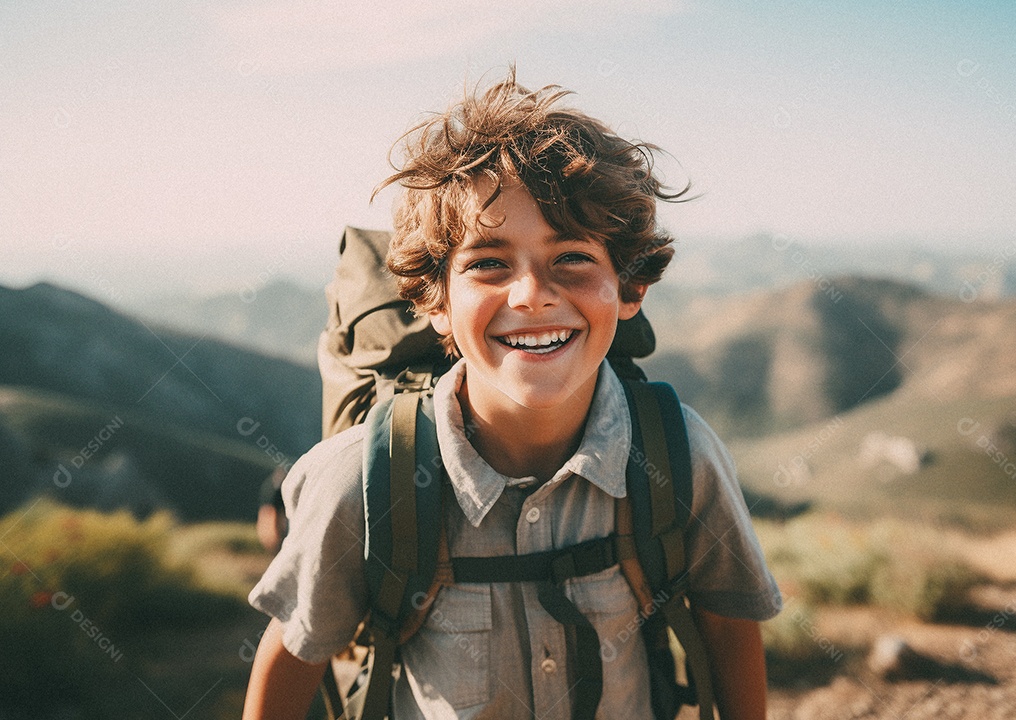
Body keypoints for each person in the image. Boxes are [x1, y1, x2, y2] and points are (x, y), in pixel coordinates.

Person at [242, 69, 782, 720]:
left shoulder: (679, 456)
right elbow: (295, 652)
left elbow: (727, 625)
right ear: (435, 301)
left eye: (573, 258)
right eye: (489, 263)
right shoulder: (359, 480)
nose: (531, 294)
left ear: (632, 287)